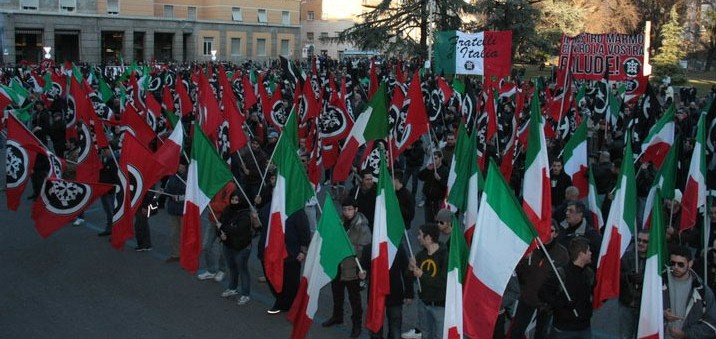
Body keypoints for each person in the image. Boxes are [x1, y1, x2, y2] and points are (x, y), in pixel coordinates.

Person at [323, 197, 371, 338]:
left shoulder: (362, 227)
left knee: (354, 299)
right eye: (344, 209)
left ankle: (356, 325)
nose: (346, 212)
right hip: (337, 266)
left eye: (350, 209)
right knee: (337, 294)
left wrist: (349, 249)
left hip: (352, 269)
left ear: (356, 210)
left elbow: (365, 249)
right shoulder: (339, 222)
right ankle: (337, 316)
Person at [511, 222, 569, 339]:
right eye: (545, 230)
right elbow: (518, 272)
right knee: (517, 331)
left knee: (541, 334)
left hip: (546, 303)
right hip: (527, 298)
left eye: (551, 231)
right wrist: (524, 260)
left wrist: (555, 299)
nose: (547, 233)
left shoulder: (561, 253)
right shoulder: (532, 247)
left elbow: (564, 278)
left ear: (556, 234)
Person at [539, 237, 595, 338]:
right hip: (564, 329)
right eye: (588, 250)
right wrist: (561, 303)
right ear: (581, 254)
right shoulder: (561, 273)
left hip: (585, 327)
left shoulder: (589, 274)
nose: (591, 253)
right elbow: (543, 293)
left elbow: (595, 293)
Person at [663, 245, 716, 338]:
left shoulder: (702, 290)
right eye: (672, 263)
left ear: (690, 263)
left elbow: (711, 324)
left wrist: (685, 334)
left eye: (680, 264)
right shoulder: (658, 282)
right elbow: (645, 309)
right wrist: (662, 313)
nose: (675, 267)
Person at [266, 209, 310, 314]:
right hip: (276, 252)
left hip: (292, 253)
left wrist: (303, 251)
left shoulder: (298, 211)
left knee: (292, 282)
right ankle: (280, 302)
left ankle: (293, 306)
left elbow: (305, 232)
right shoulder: (275, 206)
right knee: (278, 279)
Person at [218, 191, 258, 305]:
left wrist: (224, 228)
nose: (234, 202)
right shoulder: (227, 210)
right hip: (228, 245)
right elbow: (220, 224)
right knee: (232, 268)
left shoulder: (245, 214)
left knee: (242, 269)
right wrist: (220, 233)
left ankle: (245, 294)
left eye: (237, 200)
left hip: (242, 247)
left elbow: (239, 229)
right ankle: (232, 288)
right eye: (233, 199)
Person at [408, 223, 447, 339]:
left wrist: (422, 275)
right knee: (426, 335)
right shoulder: (421, 255)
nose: (418, 237)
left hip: (440, 306)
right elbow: (411, 277)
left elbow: (442, 283)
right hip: (424, 303)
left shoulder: (444, 257)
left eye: (420, 235)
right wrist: (410, 269)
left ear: (428, 238)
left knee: (440, 336)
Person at [370, 244, 415, 339]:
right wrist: (362, 275)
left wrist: (409, 294)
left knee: (394, 329)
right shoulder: (371, 248)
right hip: (378, 295)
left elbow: (406, 271)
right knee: (377, 329)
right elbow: (363, 268)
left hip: (392, 294)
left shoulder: (397, 249)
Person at [197, 182, 235, 282]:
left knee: (223, 248)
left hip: (225, 221)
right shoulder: (214, 183)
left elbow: (228, 205)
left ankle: (222, 270)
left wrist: (210, 205)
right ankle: (211, 270)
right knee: (206, 246)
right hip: (213, 220)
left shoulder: (230, 186)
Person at [618, 231, 649, 339]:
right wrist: (628, 276)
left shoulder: (654, 261)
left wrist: (644, 279)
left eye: (645, 241)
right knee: (625, 336)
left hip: (645, 308)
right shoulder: (626, 256)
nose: (641, 243)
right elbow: (616, 275)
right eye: (639, 240)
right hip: (627, 304)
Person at [557, 201, 602, 269]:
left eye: (571, 211)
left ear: (580, 214)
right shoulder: (560, 229)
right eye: (566, 210)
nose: (567, 213)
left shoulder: (591, 234)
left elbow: (597, 257)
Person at [163, 162, 187, 262]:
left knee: (184, 234)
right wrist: (165, 192)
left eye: (181, 165)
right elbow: (168, 189)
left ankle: (186, 255)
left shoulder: (190, 177)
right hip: (173, 208)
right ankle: (176, 254)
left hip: (184, 210)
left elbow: (192, 194)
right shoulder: (173, 175)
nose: (179, 167)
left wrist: (180, 198)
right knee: (174, 233)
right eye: (178, 165)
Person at [418, 151, 449, 223]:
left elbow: (446, 186)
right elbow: (420, 176)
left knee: (436, 222)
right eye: (433, 159)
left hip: (438, 201)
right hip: (428, 199)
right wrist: (426, 169)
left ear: (440, 158)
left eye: (435, 158)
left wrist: (440, 179)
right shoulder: (430, 168)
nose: (434, 160)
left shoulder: (445, 170)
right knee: (427, 220)